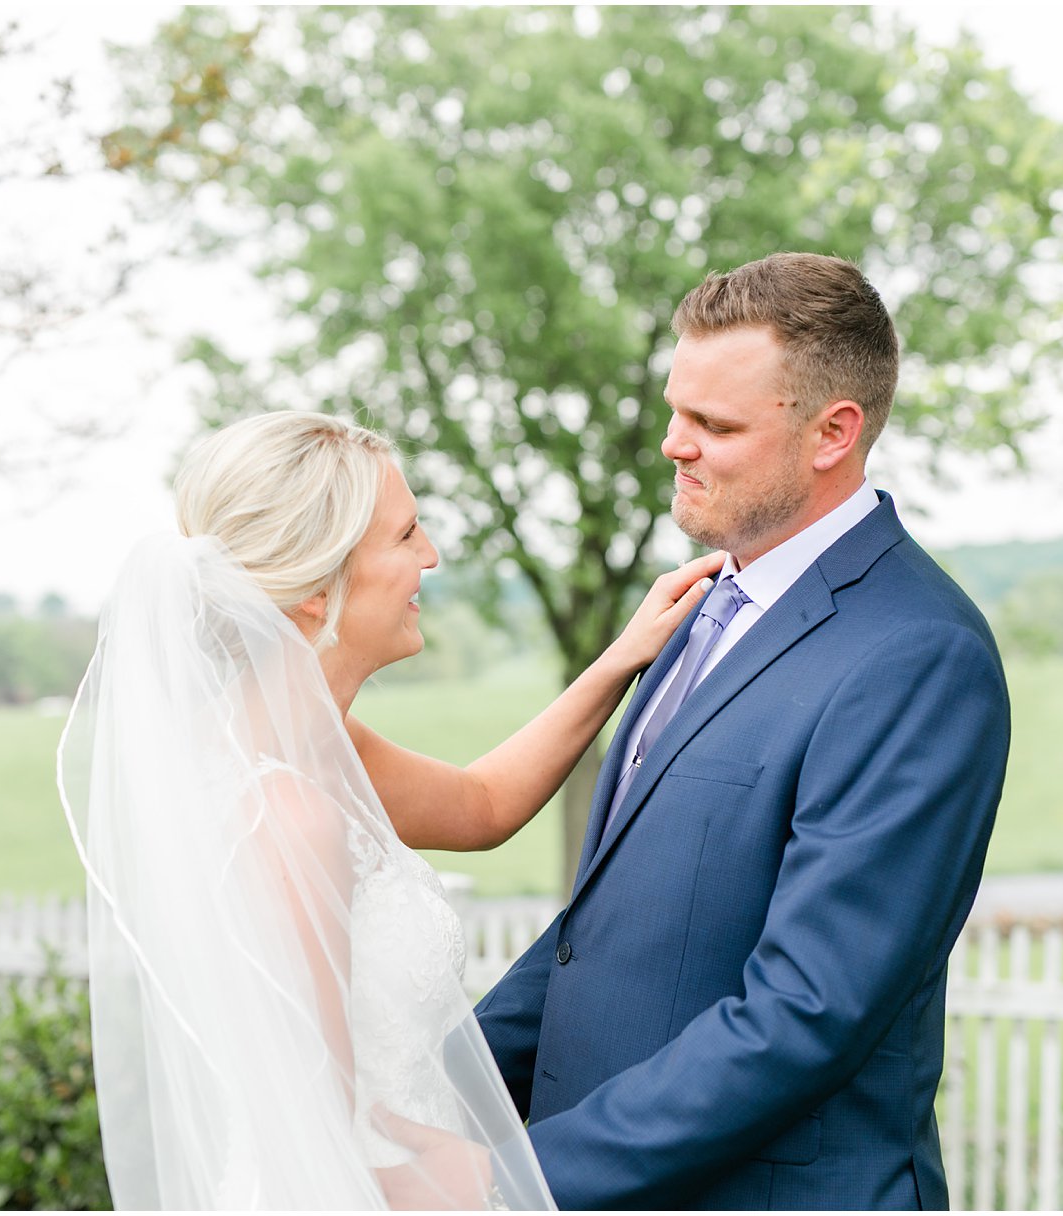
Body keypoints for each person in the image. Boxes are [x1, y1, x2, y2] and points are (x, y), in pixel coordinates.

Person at [57, 411, 721, 1210]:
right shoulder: (286, 810)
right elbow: (320, 1128)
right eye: (406, 536)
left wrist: (620, 659)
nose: (431, 556)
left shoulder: (307, 743)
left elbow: (480, 806)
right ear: (315, 588)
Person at [473, 252, 1012, 1210]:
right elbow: (609, 932)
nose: (674, 446)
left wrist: (521, 1181)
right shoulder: (701, 604)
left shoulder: (917, 656)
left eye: (714, 425)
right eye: (676, 411)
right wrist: (429, 1092)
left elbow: (810, 1010)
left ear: (832, 433)